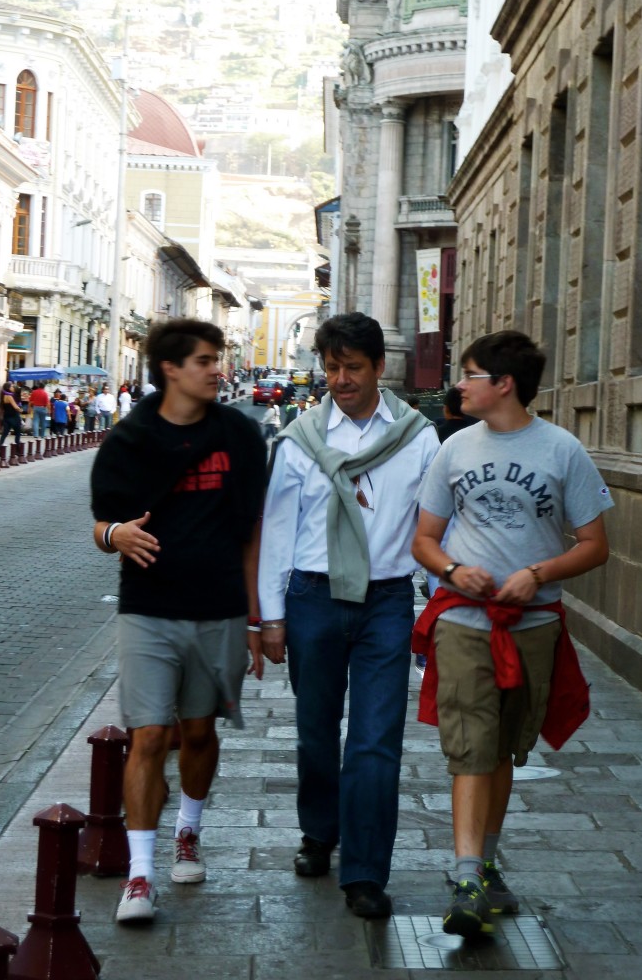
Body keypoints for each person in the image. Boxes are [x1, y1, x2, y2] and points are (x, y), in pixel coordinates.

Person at [411, 330, 613, 940]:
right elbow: (423, 538)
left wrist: (537, 574)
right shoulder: (454, 450)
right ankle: (467, 875)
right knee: (470, 745)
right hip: (465, 622)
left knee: (503, 749)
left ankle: (487, 864)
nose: (459, 385)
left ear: (503, 384)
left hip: (533, 627)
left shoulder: (563, 451)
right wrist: (451, 569)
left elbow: (596, 546)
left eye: (470, 374)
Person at [258, 312, 440, 920]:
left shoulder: (417, 437)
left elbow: (432, 526)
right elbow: (278, 532)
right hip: (311, 599)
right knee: (314, 732)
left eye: (352, 367)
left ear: (378, 368)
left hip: (387, 603)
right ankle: (318, 832)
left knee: (375, 742)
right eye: (331, 367)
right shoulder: (301, 437)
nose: (340, 379)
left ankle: (364, 872)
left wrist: (439, 605)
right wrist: (271, 617)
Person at [90, 318, 267, 924]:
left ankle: (187, 830)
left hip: (217, 609)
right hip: (148, 610)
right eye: (204, 360)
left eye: (217, 358)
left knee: (197, 733)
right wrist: (117, 534)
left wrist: (254, 619)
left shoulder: (239, 436)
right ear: (170, 369)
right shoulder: (131, 439)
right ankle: (140, 877)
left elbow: (252, 534)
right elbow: (100, 527)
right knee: (147, 737)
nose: (217, 369)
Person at [0, 382, 22, 450]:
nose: (13, 387)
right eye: (12, 386)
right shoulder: (9, 396)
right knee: (18, 432)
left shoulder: (3, 396)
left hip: (6, 416)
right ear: (8, 388)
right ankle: (17, 448)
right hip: (14, 417)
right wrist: (21, 410)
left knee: (4, 434)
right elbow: (15, 407)